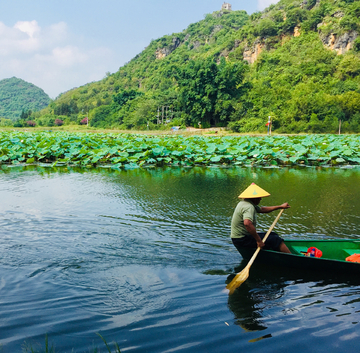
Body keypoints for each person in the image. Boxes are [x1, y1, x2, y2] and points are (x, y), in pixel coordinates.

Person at [231, 183, 291, 254]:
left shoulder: (245, 203)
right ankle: (292, 258)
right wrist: (259, 241)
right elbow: (247, 223)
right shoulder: (249, 207)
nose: (260, 199)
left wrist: (280, 207)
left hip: (240, 238)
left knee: (272, 235)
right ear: (254, 198)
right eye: (259, 197)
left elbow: (262, 209)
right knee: (275, 240)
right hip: (242, 240)